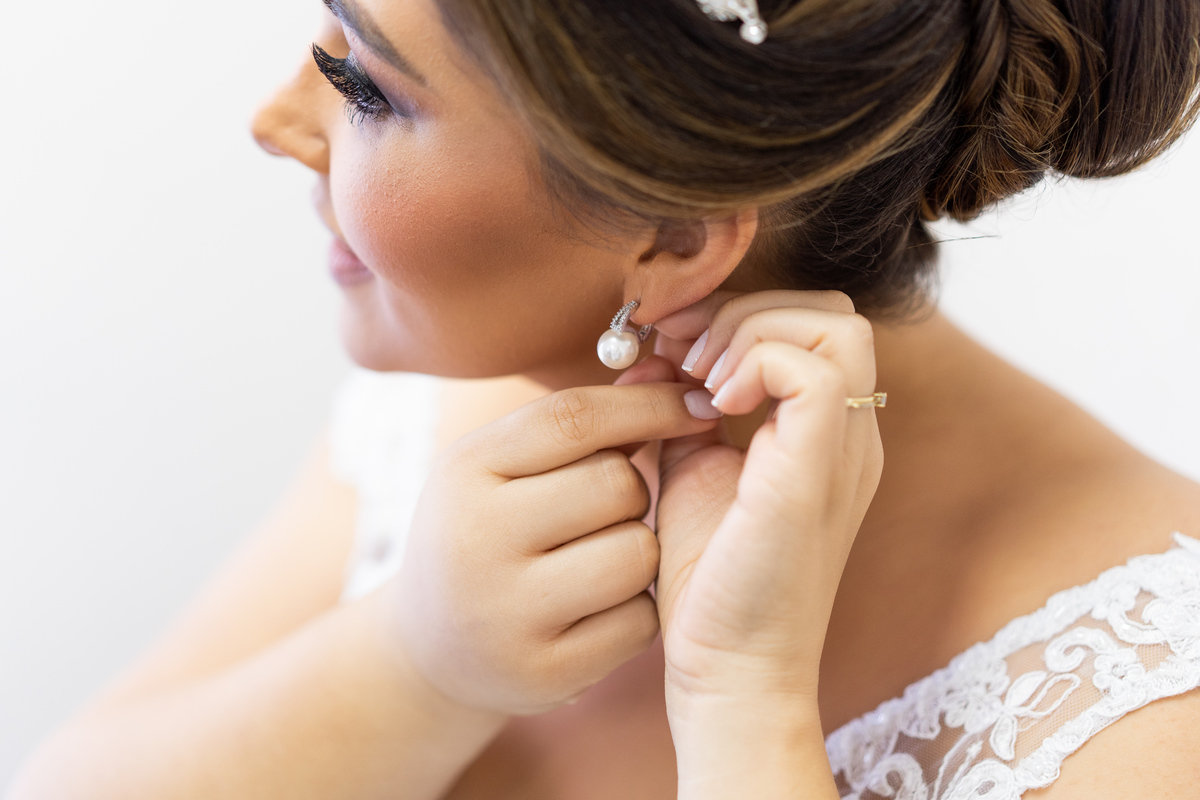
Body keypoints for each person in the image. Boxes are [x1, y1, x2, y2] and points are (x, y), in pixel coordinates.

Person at [9, 0, 1200, 797]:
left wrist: (744, 711)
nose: (274, 122)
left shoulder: (1139, 699)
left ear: (675, 236)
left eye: (361, 84)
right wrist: (413, 665)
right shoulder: (481, 406)